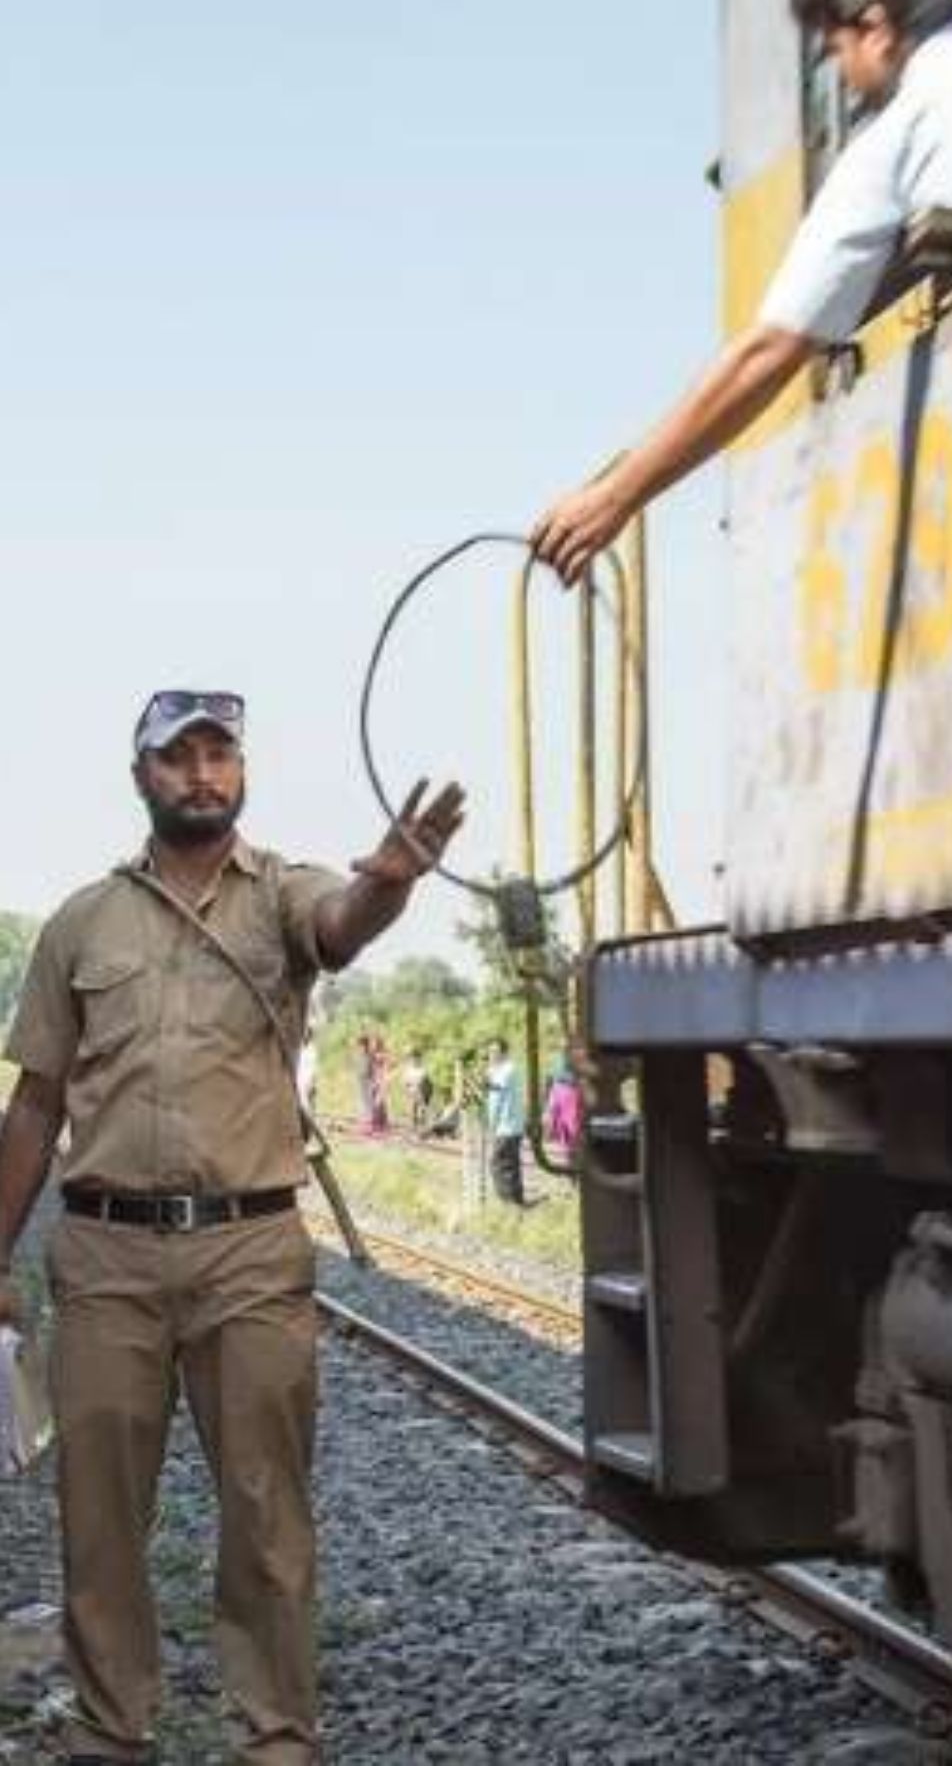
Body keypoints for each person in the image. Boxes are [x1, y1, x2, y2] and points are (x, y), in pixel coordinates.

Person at [0, 688, 463, 1766]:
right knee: (100, 1512)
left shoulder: (283, 896)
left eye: (220, 755)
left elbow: (343, 926)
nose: (202, 774)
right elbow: (35, 1102)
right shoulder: (80, 924)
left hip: (251, 1252)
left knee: (265, 1510)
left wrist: (389, 882)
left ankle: (275, 1735)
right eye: (179, 758)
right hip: (105, 1252)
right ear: (141, 777)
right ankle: (113, 1727)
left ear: (240, 772)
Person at [532, 0, 952, 586]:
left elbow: (771, 347)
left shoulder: (907, 123)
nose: (844, 79)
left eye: (836, 53)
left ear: (877, 29)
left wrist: (615, 496)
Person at [485, 1037, 525, 1205]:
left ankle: (507, 1202)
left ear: (504, 1052)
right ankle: (518, 1199)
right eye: (490, 1052)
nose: (492, 1055)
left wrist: (491, 1125)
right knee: (513, 1164)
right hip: (516, 1125)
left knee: (497, 1165)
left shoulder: (501, 1073)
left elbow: (495, 1101)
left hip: (504, 1126)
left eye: (495, 1052)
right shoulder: (513, 1069)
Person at [543, 1046, 585, 1157]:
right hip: (558, 1088)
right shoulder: (556, 1057)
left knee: (571, 1123)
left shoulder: (578, 1056)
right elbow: (549, 1077)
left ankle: (573, 1152)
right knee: (559, 1121)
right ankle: (567, 1150)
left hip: (570, 1090)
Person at [401, 1048, 434, 1132]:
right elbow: (405, 1082)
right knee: (412, 1110)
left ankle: (422, 1127)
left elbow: (428, 1084)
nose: (414, 1060)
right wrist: (407, 1090)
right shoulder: (408, 1069)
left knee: (422, 1111)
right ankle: (413, 1127)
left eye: (416, 1058)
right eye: (412, 1059)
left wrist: (423, 1093)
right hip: (411, 1093)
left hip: (422, 1094)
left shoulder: (423, 1069)